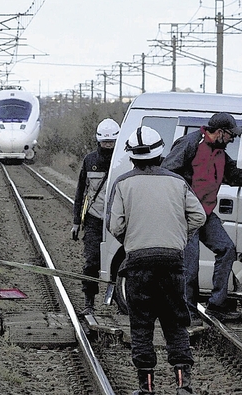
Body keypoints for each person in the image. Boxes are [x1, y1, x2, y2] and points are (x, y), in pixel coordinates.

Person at [107, 126, 205, 395]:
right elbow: (199, 217)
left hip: (138, 264)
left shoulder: (123, 184)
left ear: (132, 157)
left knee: (141, 325)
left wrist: (134, 240)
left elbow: (115, 225)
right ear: (161, 154)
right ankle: (183, 386)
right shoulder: (177, 182)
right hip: (173, 262)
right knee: (175, 324)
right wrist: (178, 237)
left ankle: (147, 388)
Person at [161, 112, 242, 322]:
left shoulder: (221, 153)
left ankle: (216, 305)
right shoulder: (190, 144)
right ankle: (187, 313)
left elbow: (235, 176)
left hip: (205, 213)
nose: (232, 139)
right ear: (220, 132)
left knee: (227, 249)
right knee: (190, 264)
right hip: (185, 214)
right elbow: (167, 173)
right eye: (231, 135)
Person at [70, 118, 119, 316]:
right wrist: (76, 222)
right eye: (105, 142)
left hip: (118, 221)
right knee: (91, 262)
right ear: (98, 140)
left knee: (120, 262)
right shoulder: (90, 160)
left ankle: (119, 300)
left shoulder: (123, 160)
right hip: (93, 219)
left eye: (111, 142)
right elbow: (80, 191)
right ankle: (88, 302)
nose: (108, 145)